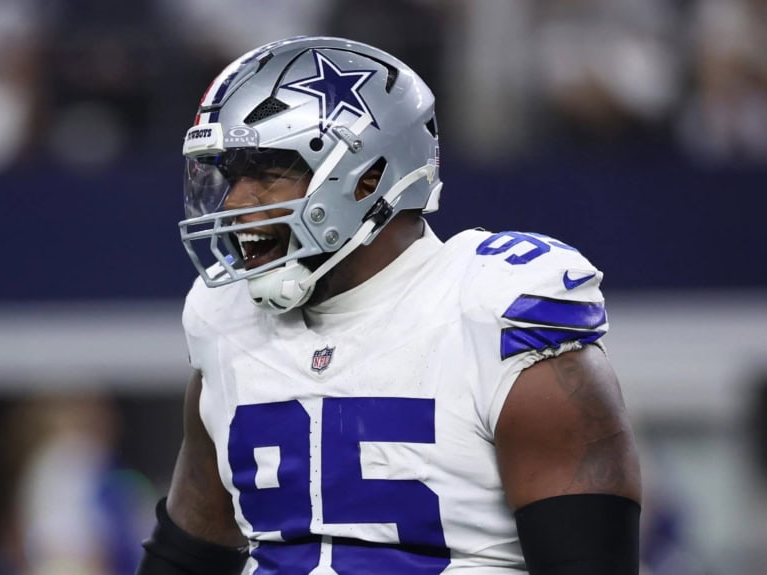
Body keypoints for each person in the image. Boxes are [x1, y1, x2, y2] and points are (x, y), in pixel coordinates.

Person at [137, 36, 641, 575]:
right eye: (231, 177)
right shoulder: (228, 322)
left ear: (367, 178)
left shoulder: (494, 316)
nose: (235, 203)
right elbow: (189, 555)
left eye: (266, 172)